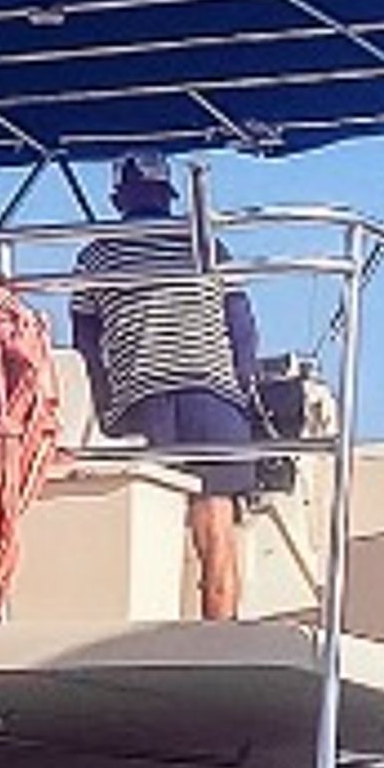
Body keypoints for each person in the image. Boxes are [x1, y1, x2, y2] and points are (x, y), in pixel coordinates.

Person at [72, 152, 259, 620]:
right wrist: (241, 393)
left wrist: (105, 410)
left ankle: (151, 637)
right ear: (167, 194)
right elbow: (243, 331)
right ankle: (220, 640)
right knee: (216, 532)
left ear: (119, 197)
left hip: (142, 403)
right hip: (212, 401)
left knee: (147, 527)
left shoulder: (95, 256)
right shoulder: (207, 245)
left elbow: (86, 349)